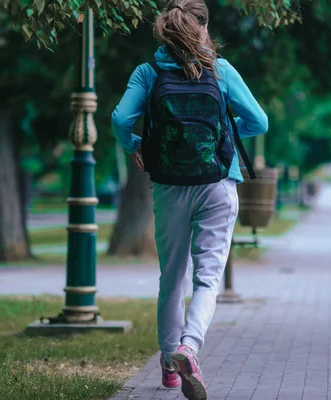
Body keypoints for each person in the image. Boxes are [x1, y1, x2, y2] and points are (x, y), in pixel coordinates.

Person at [110, 1, 268, 398]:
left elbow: (119, 118)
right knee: (207, 277)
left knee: (172, 278)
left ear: (164, 30)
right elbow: (259, 122)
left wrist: (134, 143)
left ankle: (169, 367)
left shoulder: (147, 73)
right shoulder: (222, 71)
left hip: (169, 186)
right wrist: (224, 133)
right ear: (203, 29)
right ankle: (189, 346)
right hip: (218, 182)